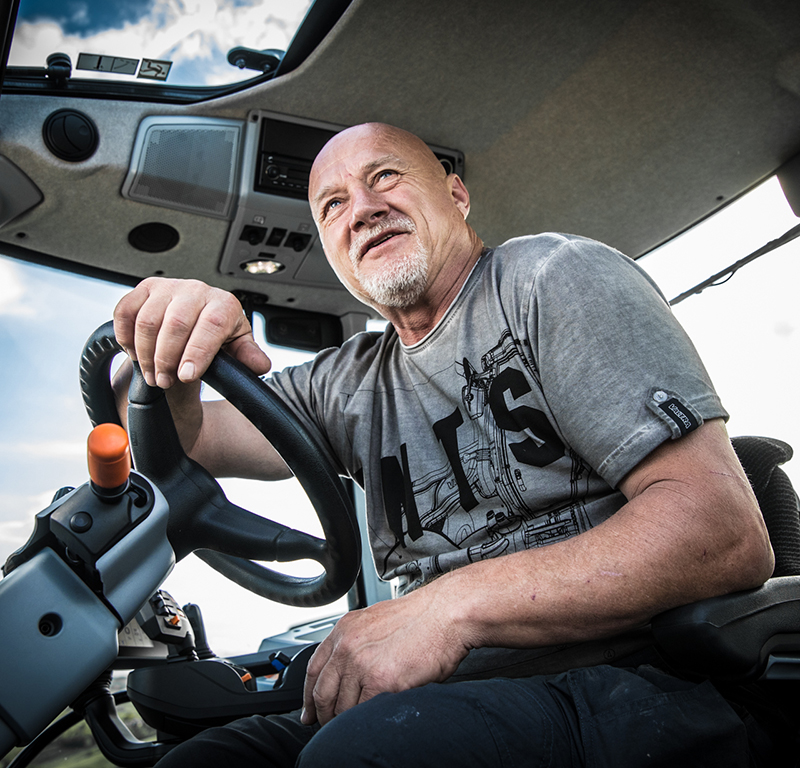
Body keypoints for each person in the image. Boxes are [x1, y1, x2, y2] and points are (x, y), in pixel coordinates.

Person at [113, 123, 777, 766]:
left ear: (456, 195)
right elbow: (182, 438)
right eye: (334, 205)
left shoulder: (552, 278)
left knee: (367, 750)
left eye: (385, 177)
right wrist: (165, 342)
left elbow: (721, 532)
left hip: (627, 678)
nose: (363, 210)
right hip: (433, 698)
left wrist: (447, 608)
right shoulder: (345, 383)